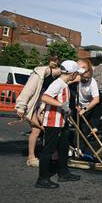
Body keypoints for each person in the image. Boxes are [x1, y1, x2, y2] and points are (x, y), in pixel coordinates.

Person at [35, 60, 84, 189]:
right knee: (49, 149)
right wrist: (61, 105)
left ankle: (63, 172)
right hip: (53, 121)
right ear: (72, 74)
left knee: (63, 147)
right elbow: (45, 97)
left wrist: (66, 109)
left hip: (60, 121)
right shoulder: (58, 84)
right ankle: (42, 178)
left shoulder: (63, 84)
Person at [16, 64, 62, 167]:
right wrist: (21, 106)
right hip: (32, 106)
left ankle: (50, 154)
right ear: (58, 67)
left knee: (47, 129)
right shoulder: (39, 74)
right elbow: (28, 89)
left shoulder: (56, 77)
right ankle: (31, 158)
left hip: (42, 106)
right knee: (36, 130)